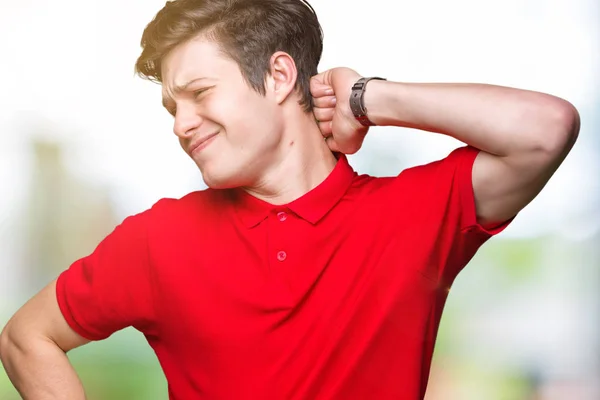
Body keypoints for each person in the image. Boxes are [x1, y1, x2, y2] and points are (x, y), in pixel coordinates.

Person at [0, 0, 580, 399]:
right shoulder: (159, 238)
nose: (181, 124)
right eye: (172, 107)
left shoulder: (413, 211)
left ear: (280, 77)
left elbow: (545, 129)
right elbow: (26, 336)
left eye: (199, 94)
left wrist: (366, 97)